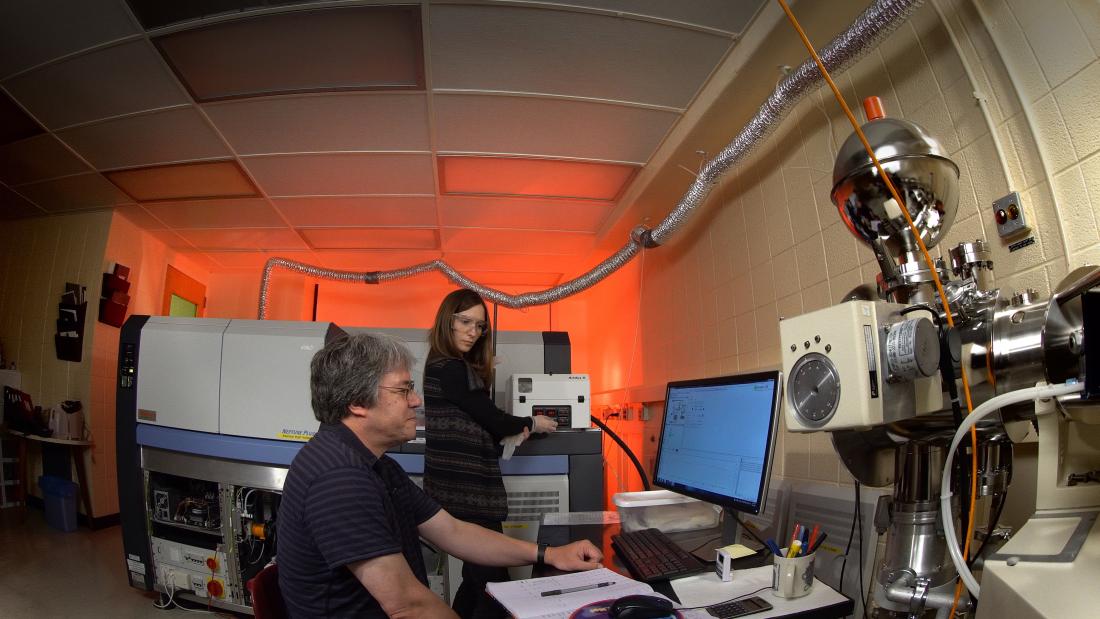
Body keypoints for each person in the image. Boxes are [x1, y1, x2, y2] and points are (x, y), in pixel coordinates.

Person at [278, 332, 600, 618]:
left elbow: (453, 531)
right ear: (358, 402)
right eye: (404, 390)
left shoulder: (375, 465)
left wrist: (550, 553)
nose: (417, 401)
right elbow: (407, 606)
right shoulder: (340, 479)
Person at [422, 289, 558, 618]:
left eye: (479, 326)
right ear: (447, 322)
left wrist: (507, 438)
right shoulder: (452, 368)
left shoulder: (444, 366)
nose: (472, 331)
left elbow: (472, 423)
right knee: (495, 581)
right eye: (465, 322)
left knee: (477, 578)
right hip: (466, 491)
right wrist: (532, 421)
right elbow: (492, 418)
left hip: (455, 488)